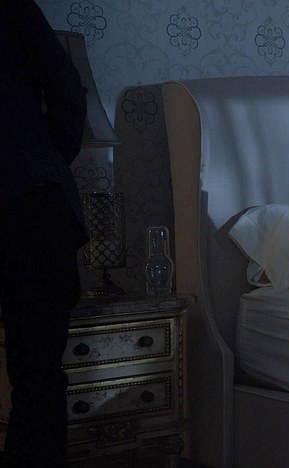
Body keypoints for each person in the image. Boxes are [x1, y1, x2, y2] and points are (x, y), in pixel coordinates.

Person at [0, 1, 88, 466]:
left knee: (36, 378)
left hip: (31, 203)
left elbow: (66, 91)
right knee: (37, 378)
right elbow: (66, 90)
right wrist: (43, 164)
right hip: (32, 201)